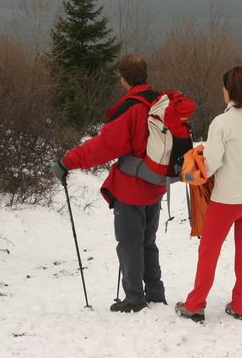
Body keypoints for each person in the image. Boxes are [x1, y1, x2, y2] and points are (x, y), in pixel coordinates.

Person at [52, 54, 167, 313]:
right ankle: (156, 294)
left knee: (129, 244)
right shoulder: (160, 103)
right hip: (157, 183)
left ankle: (135, 298)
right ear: (145, 75)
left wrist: (67, 162)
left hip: (132, 187)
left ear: (123, 78)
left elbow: (102, 147)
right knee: (148, 242)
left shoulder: (131, 108)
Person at [175, 66, 242, 323]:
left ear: (231, 90)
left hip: (227, 199)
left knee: (209, 251)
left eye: (224, 87)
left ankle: (194, 305)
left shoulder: (222, 122)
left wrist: (193, 159)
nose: (222, 91)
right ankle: (241, 305)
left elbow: (211, 164)